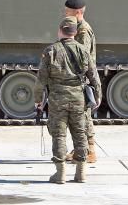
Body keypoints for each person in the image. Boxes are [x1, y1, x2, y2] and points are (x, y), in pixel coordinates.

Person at [33, 17, 102, 185]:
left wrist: (38, 100)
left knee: (59, 135)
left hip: (57, 99)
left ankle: (60, 172)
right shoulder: (83, 51)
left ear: (60, 31)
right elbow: (94, 76)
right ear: (75, 33)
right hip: (79, 99)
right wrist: (98, 96)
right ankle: (81, 173)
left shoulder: (51, 51)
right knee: (80, 134)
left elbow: (40, 79)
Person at [63, 0, 97, 163]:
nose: (64, 14)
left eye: (67, 12)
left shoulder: (82, 31)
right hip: (79, 79)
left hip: (81, 80)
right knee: (80, 116)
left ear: (77, 12)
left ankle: (90, 150)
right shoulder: (78, 28)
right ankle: (80, 148)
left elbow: (82, 58)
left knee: (84, 116)